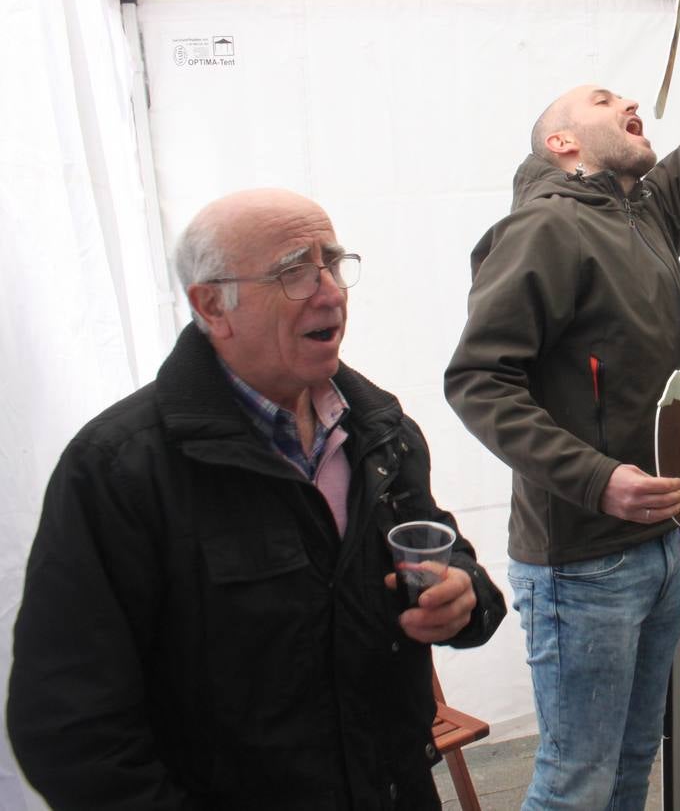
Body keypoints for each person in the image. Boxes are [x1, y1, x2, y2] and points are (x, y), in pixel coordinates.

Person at [8, 188, 505, 810]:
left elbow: (455, 563)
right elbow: (68, 728)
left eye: (333, 262)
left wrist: (464, 595)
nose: (329, 291)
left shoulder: (380, 433)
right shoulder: (119, 469)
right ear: (213, 305)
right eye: (293, 271)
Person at [442, 0, 680, 809]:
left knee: (630, 770)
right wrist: (599, 478)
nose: (628, 107)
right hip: (581, 561)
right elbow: (478, 379)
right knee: (575, 778)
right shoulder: (547, 226)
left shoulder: (638, 216)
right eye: (605, 101)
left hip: (653, 545)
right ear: (562, 144)